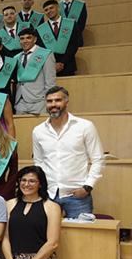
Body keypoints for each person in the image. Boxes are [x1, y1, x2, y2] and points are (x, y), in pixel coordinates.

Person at [32, 86, 105, 218]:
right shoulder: (38, 131)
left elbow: (98, 159)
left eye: (57, 100)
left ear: (66, 101)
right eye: (49, 101)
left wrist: (87, 187)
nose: (53, 104)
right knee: (46, 235)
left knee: (81, 236)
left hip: (77, 196)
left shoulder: (85, 126)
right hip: (49, 194)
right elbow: (39, 161)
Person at [15, 27, 56, 115]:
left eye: (28, 38)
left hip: (39, 101)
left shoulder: (45, 54)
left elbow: (50, 81)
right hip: (20, 102)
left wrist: (49, 101)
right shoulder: (16, 57)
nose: (25, 41)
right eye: (22, 39)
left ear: (35, 39)